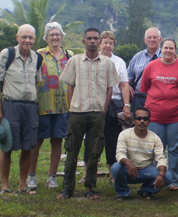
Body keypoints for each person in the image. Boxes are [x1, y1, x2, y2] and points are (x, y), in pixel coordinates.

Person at [57, 27, 119, 200]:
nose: (92, 41)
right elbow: (69, 86)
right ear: (84, 41)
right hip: (77, 111)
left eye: (95, 38)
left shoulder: (107, 63)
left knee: (94, 151)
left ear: (100, 41)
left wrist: (104, 109)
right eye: (89, 38)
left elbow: (109, 88)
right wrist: (71, 107)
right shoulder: (74, 61)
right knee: (72, 149)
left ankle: (89, 187)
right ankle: (67, 188)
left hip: (97, 113)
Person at [0, 24, 42, 195]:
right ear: (17, 37)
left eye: (30, 38)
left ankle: (23, 184)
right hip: (10, 105)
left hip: (30, 107)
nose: (27, 41)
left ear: (35, 39)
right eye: (24, 37)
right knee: (6, 145)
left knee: (28, 145)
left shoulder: (37, 58)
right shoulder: (7, 54)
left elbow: (37, 81)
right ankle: (5, 186)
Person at [80, 31, 131, 184]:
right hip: (94, 102)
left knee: (112, 140)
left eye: (111, 43)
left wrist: (126, 105)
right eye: (105, 42)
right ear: (100, 43)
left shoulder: (119, 62)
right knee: (91, 139)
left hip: (114, 104)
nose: (108, 45)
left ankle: (112, 174)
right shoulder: (91, 59)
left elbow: (123, 85)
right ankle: (87, 173)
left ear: (114, 44)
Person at [27, 22, 73, 189]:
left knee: (57, 141)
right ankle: (31, 176)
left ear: (62, 36)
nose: (55, 37)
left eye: (57, 34)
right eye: (51, 34)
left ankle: (51, 177)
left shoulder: (69, 55)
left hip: (63, 106)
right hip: (43, 105)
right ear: (46, 37)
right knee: (37, 141)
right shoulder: (38, 55)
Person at [140, 39, 178, 191]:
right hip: (154, 117)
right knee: (156, 150)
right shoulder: (151, 66)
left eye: (171, 48)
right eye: (166, 48)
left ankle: (174, 180)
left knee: (176, 149)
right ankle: (156, 178)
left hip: (177, 116)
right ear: (161, 49)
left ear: (175, 50)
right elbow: (144, 88)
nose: (168, 50)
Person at [111, 107, 173, 200]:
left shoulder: (155, 138)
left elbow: (160, 158)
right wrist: (128, 163)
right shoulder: (124, 134)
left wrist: (162, 173)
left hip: (146, 170)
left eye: (145, 119)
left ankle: (146, 191)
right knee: (115, 167)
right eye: (139, 118)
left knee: (167, 176)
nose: (142, 121)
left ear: (149, 121)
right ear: (133, 121)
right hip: (128, 170)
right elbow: (120, 154)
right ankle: (123, 193)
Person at [127, 27, 162, 113]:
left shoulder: (165, 57)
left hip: (159, 101)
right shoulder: (137, 57)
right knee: (136, 125)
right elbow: (127, 76)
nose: (152, 40)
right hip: (139, 99)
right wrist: (127, 86)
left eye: (155, 37)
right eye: (149, 37)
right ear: (145, 40)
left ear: (160, 39)